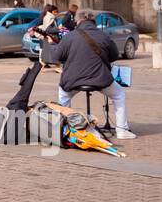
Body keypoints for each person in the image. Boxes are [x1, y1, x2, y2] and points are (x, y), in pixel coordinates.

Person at [49, 9, 134, 140]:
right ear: (93, 21)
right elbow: (114, 55)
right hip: (100, 79)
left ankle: (64, 130)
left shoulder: (70, 36)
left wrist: (52, 45)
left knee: (63, 95)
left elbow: (55, 57)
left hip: (73, 80)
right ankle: (122, 130)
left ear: (78, 21)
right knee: (118, 94)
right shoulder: (103, 35)